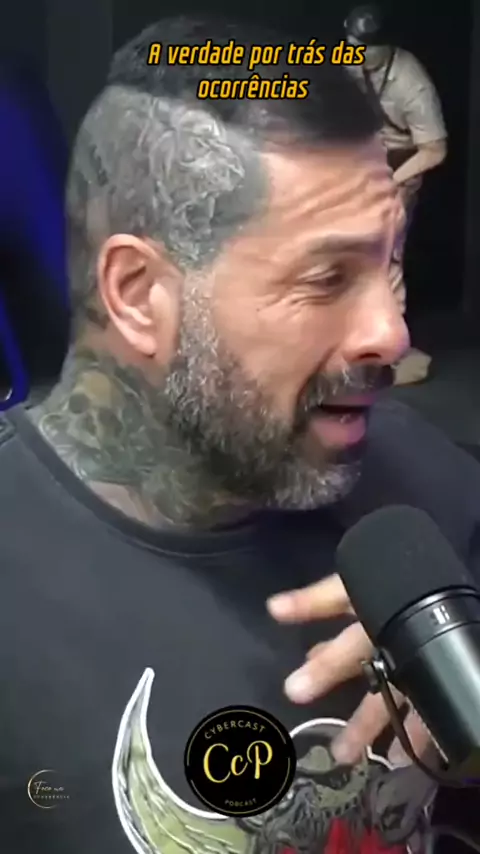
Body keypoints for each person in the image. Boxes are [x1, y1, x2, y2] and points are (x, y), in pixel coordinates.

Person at [0, 15, 479, 854]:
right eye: (327, 277)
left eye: (389, 263)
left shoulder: (430, 481)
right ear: (139, 294)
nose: (392, 333)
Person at [344, 5, 448, 386]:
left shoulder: (409, 81)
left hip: (400, 166)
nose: (355, 55)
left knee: (386, 251)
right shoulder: (349, 59)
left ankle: (391, 348)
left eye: (365, 49)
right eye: (351, 46)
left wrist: (391, 180)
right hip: (361, 159)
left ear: (386, 47)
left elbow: (434, 149)